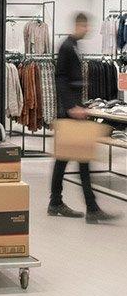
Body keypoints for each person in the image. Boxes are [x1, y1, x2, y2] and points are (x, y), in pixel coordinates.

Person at [49, 12, 121, 223]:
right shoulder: (66, 46)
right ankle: (89, 207)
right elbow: (60, 78)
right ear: (78, 25)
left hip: (75, 110)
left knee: (66, 159)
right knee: (79, 159)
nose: (87, 30)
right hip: (69, 113)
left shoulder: (74, 46)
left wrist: (81, 105)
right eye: (85, 26)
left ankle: (58, 202)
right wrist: (71, 106)